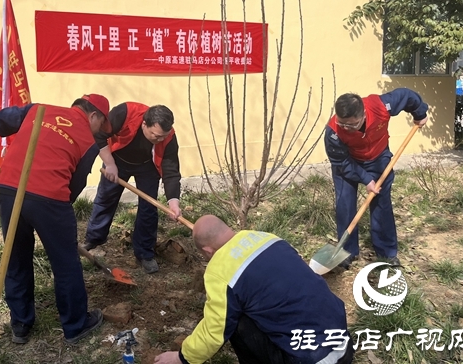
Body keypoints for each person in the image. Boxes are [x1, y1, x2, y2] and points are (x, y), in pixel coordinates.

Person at [0, 94, 111, 345]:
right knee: (65, 262)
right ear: (93, 115)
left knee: (15, 255)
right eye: (101, 124)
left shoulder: (38, 109)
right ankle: (75, 325)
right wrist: (54, 218)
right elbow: (75, 184)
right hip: (50, 195)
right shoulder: (88, 141)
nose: (99, 130)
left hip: (8, 187)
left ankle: (20, 325)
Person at [154, 215, 354, 364]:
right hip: (342, 343)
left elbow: (216, 329)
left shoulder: (219, 271)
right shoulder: (266, 238)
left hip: (309, 358)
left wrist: (182, 357)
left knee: (236, 322)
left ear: (207, 251)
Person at [325, 89, 428, 269]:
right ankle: (347, 252)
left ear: (363, 114)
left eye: (351, 125)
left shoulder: (380, 106)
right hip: (348, 162)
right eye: (342, 124)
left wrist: (419, 113)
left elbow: (407, 96)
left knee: (382, 204)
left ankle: (387, 253)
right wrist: (366, 179)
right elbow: (341, 162)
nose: (345, 128)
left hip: (379, 159)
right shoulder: (333, 131)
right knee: (345, 205)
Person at [84, 103, 182, 274]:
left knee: (148, 207)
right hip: (117, 159)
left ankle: (144, 253)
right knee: (106, 198)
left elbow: (171, 171)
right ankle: (94, 239)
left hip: (148, 166)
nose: (159, 140)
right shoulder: (124, 114)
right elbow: (99, 134)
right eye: (155, 135)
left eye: (162, 137)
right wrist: (110, 164)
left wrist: (174, 202)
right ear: (145, 124)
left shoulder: (168, 137)